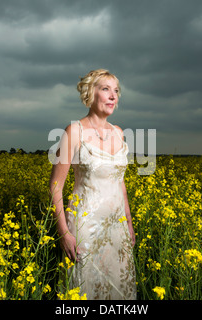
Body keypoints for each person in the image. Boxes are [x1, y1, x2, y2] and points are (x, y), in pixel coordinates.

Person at [49, 69, 136, 300]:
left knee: (118, 289)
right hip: (85, 227)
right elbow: (55, 186)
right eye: (105, 89)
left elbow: (121, 183)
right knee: (85, 290)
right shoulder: (74, 132)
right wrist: (64, 233)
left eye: (116, 90)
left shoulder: (119, 133)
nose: (113, 95)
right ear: (90, 92)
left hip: (117, 229)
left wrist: (128, 222)